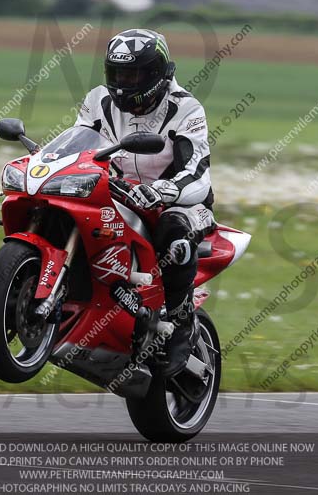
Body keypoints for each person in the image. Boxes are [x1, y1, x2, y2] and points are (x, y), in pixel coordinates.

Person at [75, 29, 215, 376]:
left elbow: (197, 171)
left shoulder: (186, 108)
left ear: (157, 73)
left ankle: (181, 324)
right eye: (118, 74)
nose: (124, 83)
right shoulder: (98, 100)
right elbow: (78, 145)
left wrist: (163, 192)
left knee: (175, 232)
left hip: (182, 202)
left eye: (134, 74)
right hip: (122, 195)